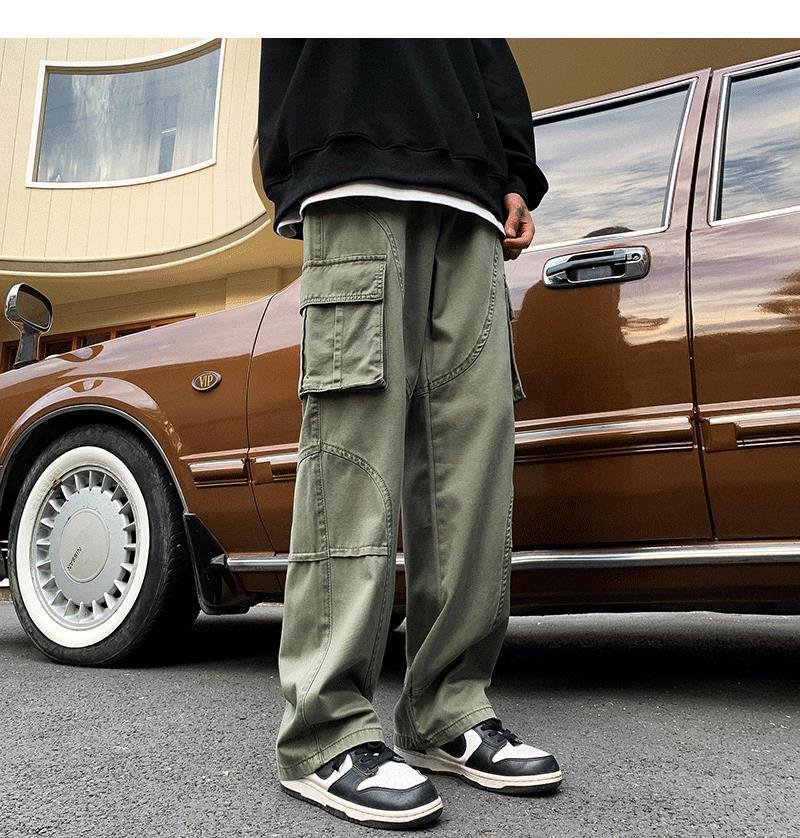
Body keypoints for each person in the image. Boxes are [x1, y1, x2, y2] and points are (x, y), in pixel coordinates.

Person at [257, 38, 561, 829]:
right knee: (353, 452)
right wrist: (293, 158)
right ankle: (323, 731)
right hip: (354, 158)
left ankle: (447, 709)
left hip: (470, 197)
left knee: (473, 458)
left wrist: (515, 171)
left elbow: (486, 52)